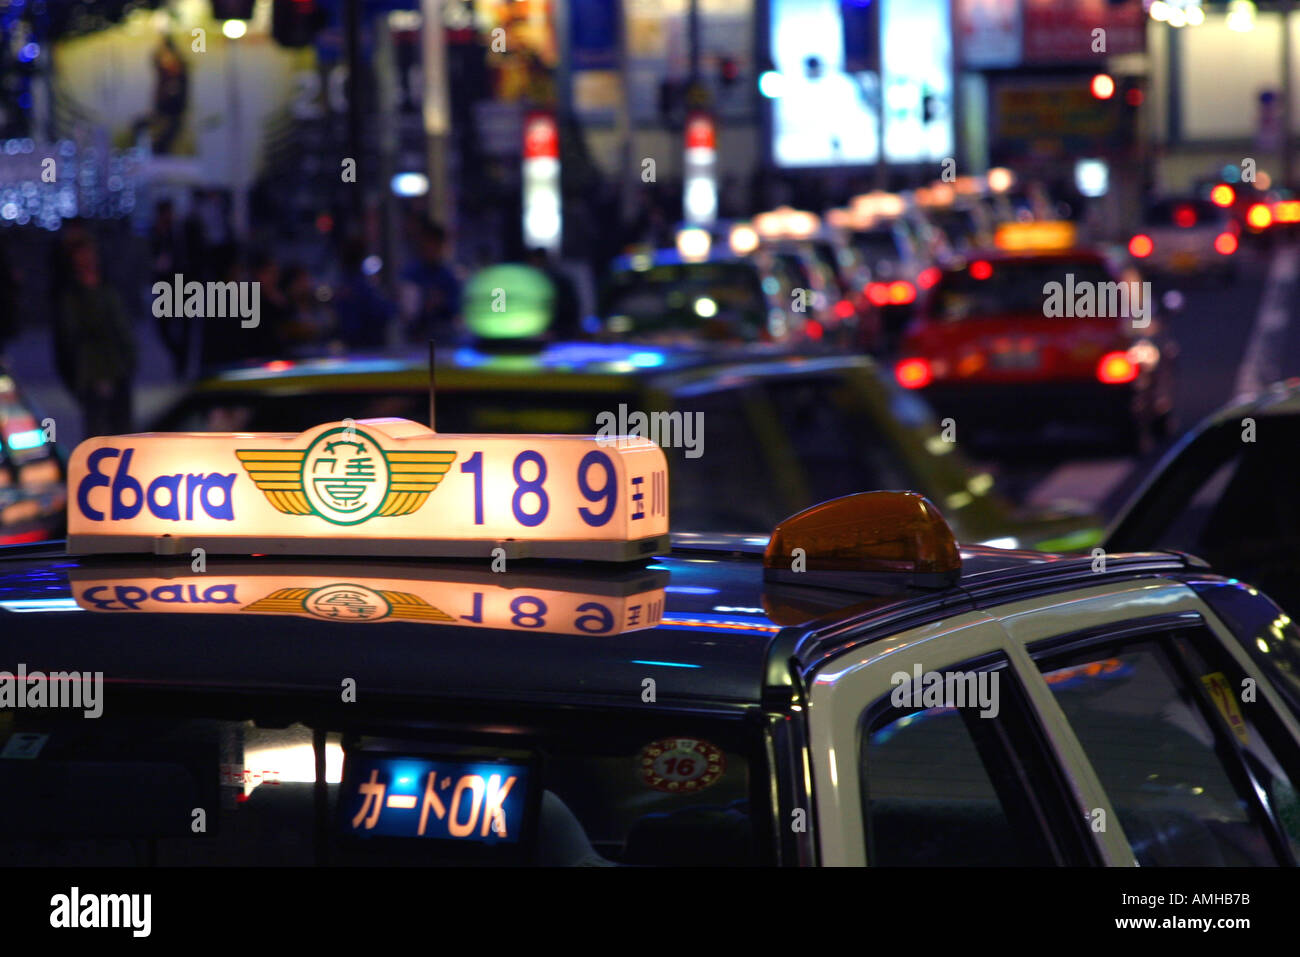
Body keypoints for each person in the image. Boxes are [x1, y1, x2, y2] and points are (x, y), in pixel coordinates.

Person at [53, 236, 136, 438]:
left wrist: (130, 359)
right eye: (82, 257)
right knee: (98, 433)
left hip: (118, 368)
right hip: (92, 372)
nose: (88, 261)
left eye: (90, 256)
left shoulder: (108, 289)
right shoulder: (72, 298)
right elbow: (69, 340)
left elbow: (122, 328)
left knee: (123, 431)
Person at [398, 218, 462, 345]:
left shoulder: (448, 276)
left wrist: (441, 303)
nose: (432, 248)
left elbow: (456, 308)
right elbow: (405, 312)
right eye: (429, 243)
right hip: (415, 342)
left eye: (436, 244)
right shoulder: (410, 274)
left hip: (444, 341)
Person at [333, 240, 394, 350]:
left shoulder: (342, 285)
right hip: (369, 346)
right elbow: (385, 313)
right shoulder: (363, 286)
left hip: (350, 344)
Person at [523, 247, 582, 339]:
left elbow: (569, 309)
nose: (534, 264)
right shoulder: (527, 283)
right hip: (538, 334)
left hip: (558, 334)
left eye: (536, 260)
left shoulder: (559, 282)